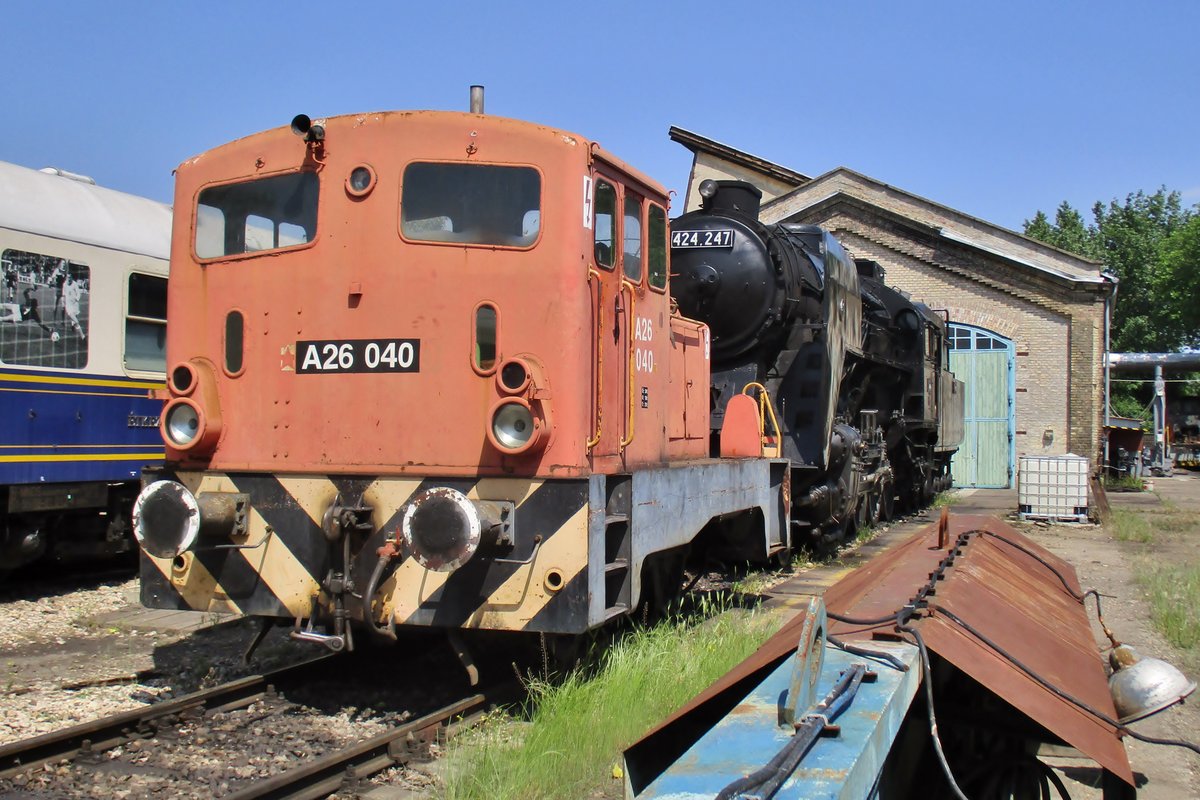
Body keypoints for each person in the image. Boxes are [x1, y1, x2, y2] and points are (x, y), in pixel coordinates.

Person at [63, 274, 85, 341]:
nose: (69, 279)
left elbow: (78, 293)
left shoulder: (75, 284)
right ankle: (82, 336)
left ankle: (72, 324)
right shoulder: (64, 284)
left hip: (75, 304)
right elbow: (64, 294)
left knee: (75, 317)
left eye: (70, 277)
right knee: (76, 321)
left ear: (72, 278)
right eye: (67, 277)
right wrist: (63, 302)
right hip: (68, 306)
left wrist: (76, 299)